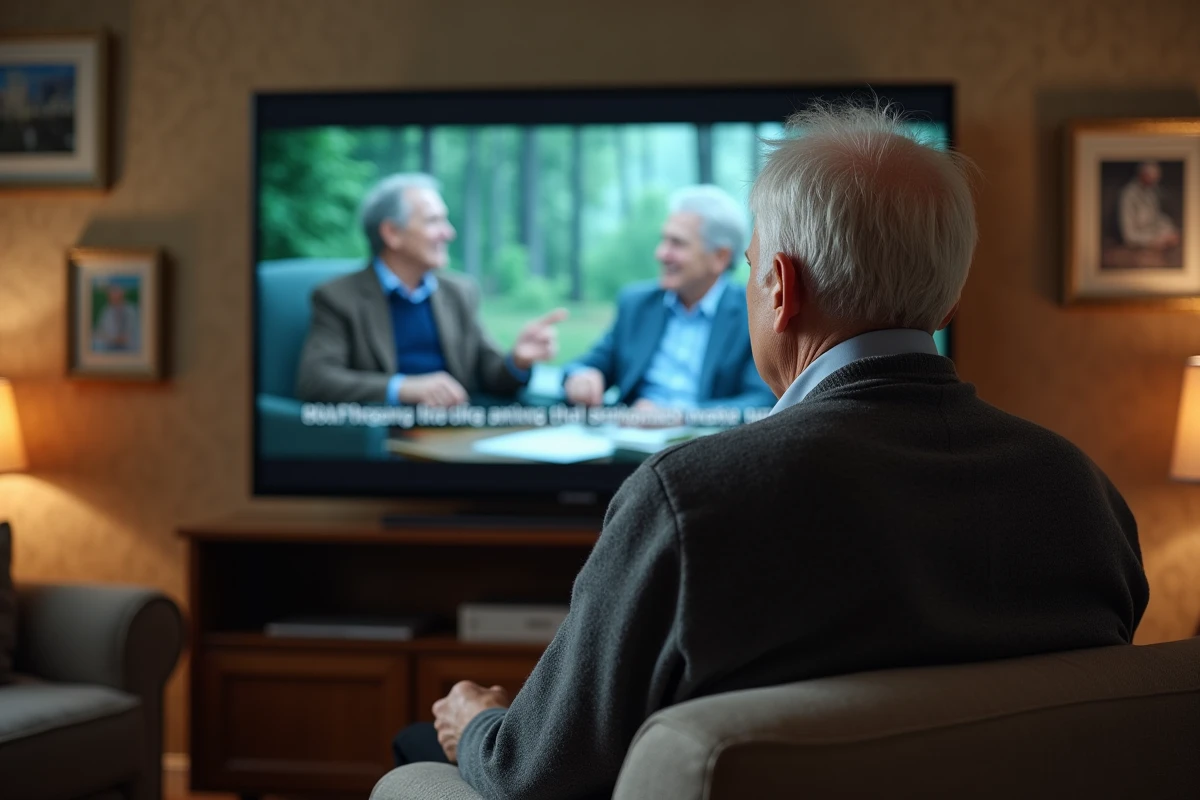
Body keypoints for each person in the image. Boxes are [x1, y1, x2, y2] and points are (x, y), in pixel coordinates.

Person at [391, 103, 1149, 800]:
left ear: (780, 288)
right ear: (951, 299)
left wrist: (478, 722)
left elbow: (537, 773)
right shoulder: (1084, 492)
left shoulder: (689, 501)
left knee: (421, 747)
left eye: (754, 267)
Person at [295, 173, 565, 406]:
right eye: (434, 221)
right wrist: (404, 388)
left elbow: (490, 374)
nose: (448, 233)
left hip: (455, 435)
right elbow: (316, 380)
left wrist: (517, 360)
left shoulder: (459, 292)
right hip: (385, 442)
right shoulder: (337, 297)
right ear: (391, 233)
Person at [562, 185, 774, 412]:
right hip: (629, 436)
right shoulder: (637, 304)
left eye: (677, 243)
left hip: (706, 443)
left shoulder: (753, 314)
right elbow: (588, 364)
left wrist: (681, 417)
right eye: (664, 240)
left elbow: (762, 402)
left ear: (720, 257)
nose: (661, 253)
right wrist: (582, 377)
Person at [1118, 160, 1181, 251]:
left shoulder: (1150, 193)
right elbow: (1129, 236)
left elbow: (1157, 218)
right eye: (1151, 178)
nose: (1154, 183)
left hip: (1155, 238)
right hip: (1138, 243)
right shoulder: (1128, 196)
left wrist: (1170, 232)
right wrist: (1155, 240)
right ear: (1142, 175)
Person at [92, 281, 139, 353]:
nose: (112, 295)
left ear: (122, 294)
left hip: (129, 350)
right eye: (110, 293)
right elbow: (99, 332)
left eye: (115, 292)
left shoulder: (132, 311)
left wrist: (117, 339)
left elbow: (132, 336)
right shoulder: (106, 311)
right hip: (110, 349)